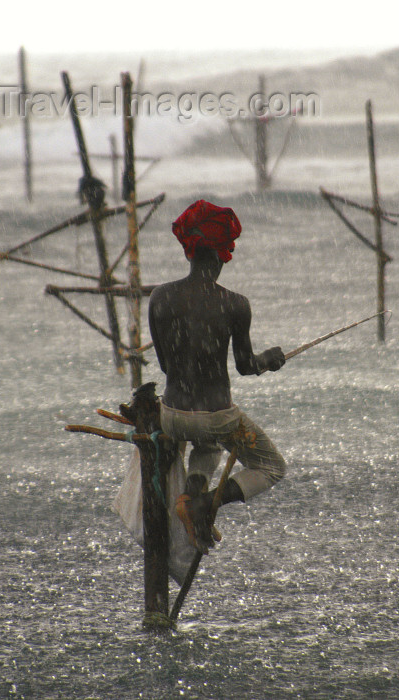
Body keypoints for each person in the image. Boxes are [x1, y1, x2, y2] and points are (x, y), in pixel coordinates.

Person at [148, 199, 286, 554]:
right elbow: (245, 366)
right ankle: (204, 505)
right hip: (216, 418)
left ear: (190, 252)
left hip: (172, 416)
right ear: (221, 255)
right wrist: (269, 359)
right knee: (271, 467)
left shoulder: (160, 297)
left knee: (204, 443)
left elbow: (164, 365)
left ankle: (191, 496)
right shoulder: (235, 304)